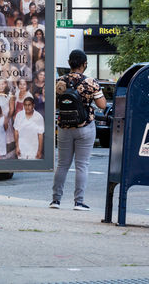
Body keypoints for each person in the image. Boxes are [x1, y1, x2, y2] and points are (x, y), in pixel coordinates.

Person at [50, 49, 106, 211]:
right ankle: (78, 202)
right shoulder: (90, 82)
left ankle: (56, 200)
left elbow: (54, 105)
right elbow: (102, 105)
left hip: (64, 127)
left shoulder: (59, 81)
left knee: (62, 165)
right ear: (84, 64)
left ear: (69, 63)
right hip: (85, 126)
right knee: (82, 165)